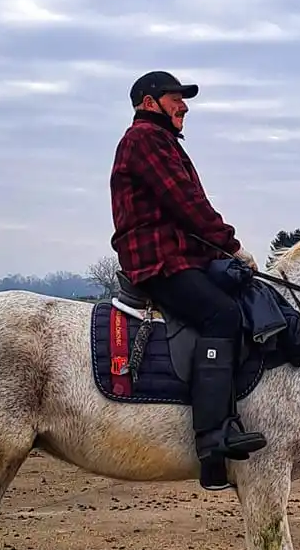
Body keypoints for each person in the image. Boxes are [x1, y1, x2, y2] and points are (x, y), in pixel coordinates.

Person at [110, 71, 267, 489]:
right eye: (175, 98)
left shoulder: (162, 143)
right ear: (149, 102)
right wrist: (231, 246)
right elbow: (187, 204)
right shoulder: (144, 140)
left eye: (183, 99)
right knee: (223, 315)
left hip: (179, 257)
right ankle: (212, 438)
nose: (183, 106)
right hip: (159, 261)